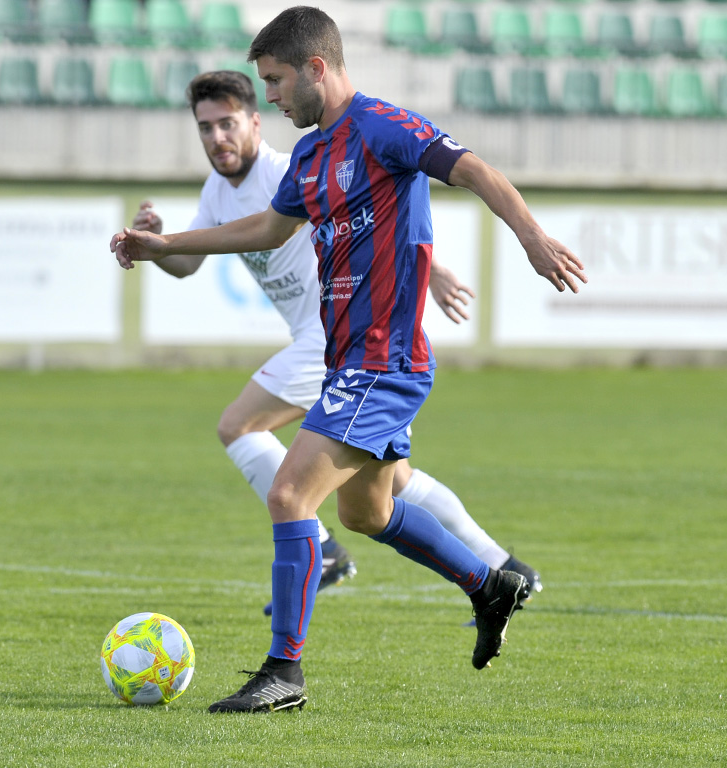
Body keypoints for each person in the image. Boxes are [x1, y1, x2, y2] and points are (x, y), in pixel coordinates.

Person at [111, 6, 587, 714]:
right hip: (346, 361)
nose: (270, 97)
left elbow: (475, 169)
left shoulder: (383, 128)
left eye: (274, 82)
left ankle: (284, 673)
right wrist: (166, 245)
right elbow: (267, 227)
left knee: (288, 495)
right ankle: (491, 584)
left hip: (382, 360)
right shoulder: (307, 157)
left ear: (317, 68)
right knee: (369, 512)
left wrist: (532, 238)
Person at [130, 69, 543, 620]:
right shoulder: (216, 191)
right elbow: (188, 265)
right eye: (205, 128)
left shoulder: (287, 167)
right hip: (330, 346)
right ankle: (505, 570)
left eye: (227, 123)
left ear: (255, 121)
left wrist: (435, 270)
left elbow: (374, 204)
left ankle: (319, 554)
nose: (217, 138)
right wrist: (160, 245)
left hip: (338, 339)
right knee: (392, 486)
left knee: (239, 427)